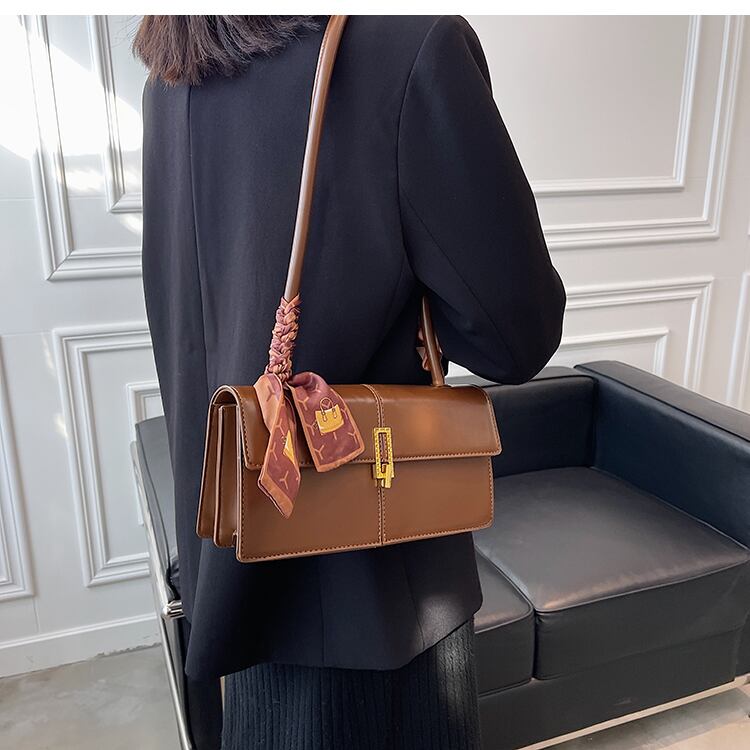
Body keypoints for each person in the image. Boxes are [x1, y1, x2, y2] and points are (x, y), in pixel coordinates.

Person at [136, 15, 565, 750]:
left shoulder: (172, 72)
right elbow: (515, 336)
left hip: (231, 570)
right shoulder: (407, 49)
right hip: (375, 607)